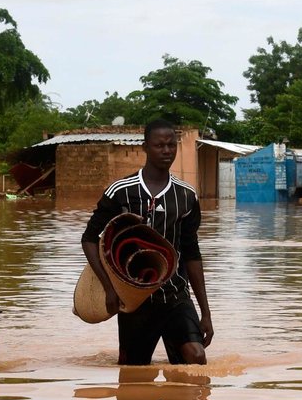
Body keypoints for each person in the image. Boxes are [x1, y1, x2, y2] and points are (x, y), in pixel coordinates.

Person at [81, 119, 213, 365]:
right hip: (134, 301)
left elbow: (192, 253)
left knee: (196, 357)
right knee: (133, 374)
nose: (166, 151)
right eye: (159, 145)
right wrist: (109, 288)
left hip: (175, 295)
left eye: (171, 145)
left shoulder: (186, 196)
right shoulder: (120, 191)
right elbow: (89, 239)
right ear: (145, 147)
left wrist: (205, 312)